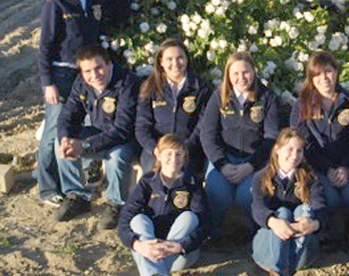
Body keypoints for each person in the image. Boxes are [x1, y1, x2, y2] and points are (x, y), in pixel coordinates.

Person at [37, 0, 101, 208]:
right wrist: (47, 82)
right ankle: (47, 187)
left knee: (77, 127)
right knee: (53, 132)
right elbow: (44, 47)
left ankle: (73, 184)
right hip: (62, 75)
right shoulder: (57, 2)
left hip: (85, 75)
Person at [55, 46, 139, 228]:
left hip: (125, 139)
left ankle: (116, 204)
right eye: (87, 71)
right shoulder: (82, 82)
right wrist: (65, 138)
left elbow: (123, 129)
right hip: (98, 134)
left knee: (117, 156)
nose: (94, 75)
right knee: (61, 142)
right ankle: (78, 196)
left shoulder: (127, 82)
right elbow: (68, 115)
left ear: (109, 64)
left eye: (99, 67)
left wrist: (85, 146)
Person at [200, 51, 280, 236]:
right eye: (235, 73)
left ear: (254, 71)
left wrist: (250, 166)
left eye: (246, 72)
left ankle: (255, 233)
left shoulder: (267, 98)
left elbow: (271, 138)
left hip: (255, 162)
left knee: (248, 196)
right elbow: (208, 135)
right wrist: (221, 164)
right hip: (224, 160)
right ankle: (213, 233)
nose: (241, 78)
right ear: (228, 75)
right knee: (217, 192)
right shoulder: (218, 97)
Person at [290, 51, 349, 248]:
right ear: (311, 78)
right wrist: (327, 169)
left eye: (328, 72)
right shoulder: (302, 105)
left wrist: (346, 167)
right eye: (318, 74)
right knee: (328, 198)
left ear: (336, 72)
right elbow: (303, 144)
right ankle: (326, 236)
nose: (324, 78)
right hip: (318, 167)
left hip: (348, 166)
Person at [118, 134, 208, 276]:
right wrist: (137, 245)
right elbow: (124, 219)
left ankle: (153, 269)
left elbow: (205, 224)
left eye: (178, 154)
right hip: (148, 247)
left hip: (179, 254)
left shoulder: (192, 183)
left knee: (190, 217)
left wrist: (181, 246)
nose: (173, 159)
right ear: (158, 155)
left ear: (184, 156)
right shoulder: (147, 182)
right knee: (138, 219)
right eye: (168, 154)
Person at [251, 127, 327, 276]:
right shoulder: (262, 177)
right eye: (289, 149)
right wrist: (273, 222)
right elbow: (257, 207)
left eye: (299, 151)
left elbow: (320, 205)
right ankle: (280, 270)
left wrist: (313, 224)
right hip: (269, 243)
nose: (294, 156)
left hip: (301, 246)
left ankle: (285, 270)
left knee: (304, 210)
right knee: (283, 213)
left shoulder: (309, 177)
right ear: (277, 149)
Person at [136, 39, 211, 175]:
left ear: (187, 59)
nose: (175, 63)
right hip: (156, 151)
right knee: (154, 183)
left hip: (189, 150)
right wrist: (155, 149)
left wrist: (185, 149)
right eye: (169, 59)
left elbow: (203, 126)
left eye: (180, 58)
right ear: (161, 62)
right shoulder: (149, 88)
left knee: (184, 187)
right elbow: (142, 126)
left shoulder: (201, 88)